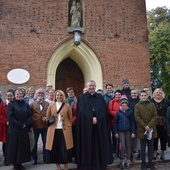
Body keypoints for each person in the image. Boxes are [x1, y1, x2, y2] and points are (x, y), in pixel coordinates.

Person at [76, 80, 113, 170]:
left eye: (93, 85)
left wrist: (98, 119)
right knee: (86, 145)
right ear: (87, 87)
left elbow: (104, 112)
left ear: (95, 87)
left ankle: (99, 165)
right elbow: (80, 112)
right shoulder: (82, 97)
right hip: (86, 128)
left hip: (98, 128)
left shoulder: (100, 97)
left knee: (98, 146)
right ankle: (85, 165)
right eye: (90, 86)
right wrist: (90, 119)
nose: (91, 87)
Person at [46, 90, 73, 170]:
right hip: (54, 130)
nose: (59, 97)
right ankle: (58, 167)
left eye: (61, 95)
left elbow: (70, 118)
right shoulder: (51, 106)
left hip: (64, 130)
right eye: (57, 95)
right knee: (55, 149)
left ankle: (66, 166)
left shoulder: (67, 106)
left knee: (65, 149)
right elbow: (47, 117)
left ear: (63, 96)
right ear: (55, 96)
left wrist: (69, 125)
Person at [5, 89, 32, 170]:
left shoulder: (26, 104)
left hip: (23, 129)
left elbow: (29, 116)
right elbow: (10, 117)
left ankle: (20, 163)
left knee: (22, 148)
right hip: (14, 130)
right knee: (14, 147)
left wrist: (26, 124)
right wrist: (20, 125)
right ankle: (15, 164)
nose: (19, 95)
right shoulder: (11, 104)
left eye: (20, 94)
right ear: (14, 95)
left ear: (22, 95)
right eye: (17, 94)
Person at [134, 90, 157, 170]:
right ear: (140, 96)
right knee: (142, 148)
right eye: (142, 95)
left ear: (147, 96)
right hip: (142, 129)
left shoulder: (152, 105)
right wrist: (144, 126)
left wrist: (149, 126)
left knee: (151, 147)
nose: (143, 96)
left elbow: (155, 116)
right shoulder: (137, 105)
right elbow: (136, 117)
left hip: (151, 129)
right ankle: (143, 164)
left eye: (145, 95)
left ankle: (150, 163)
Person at [114, 96, 135, 169]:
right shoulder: (118, 112)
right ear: (121, 105)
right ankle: (122, 159)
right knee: (122, 146)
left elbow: (132, 122)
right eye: (123, 104)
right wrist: (115, 132)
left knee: (128, 145)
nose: (124, 105)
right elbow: (115, 122)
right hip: (120, 131)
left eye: (125, 104)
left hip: (128, 131)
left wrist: (133, 132)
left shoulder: (130, 111)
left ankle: (128, 160)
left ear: (127, 104)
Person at [30, 88, 49, 165]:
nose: (40, 95)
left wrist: (47, 118)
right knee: (34, 143)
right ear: (36, 95)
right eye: (39, 94)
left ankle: (45, 157)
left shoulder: (47, 104)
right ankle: (34, 159)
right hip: (35, 126)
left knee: (46, 143)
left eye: (41, 94)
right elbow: (29, 115)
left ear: (44, 95)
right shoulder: (32, 104)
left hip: (45, 126)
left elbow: (51, 114)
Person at [150, 88, 170, 160]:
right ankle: (155, 152)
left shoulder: (166, 101)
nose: (158, 93)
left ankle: (163, 152)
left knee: (163, 138)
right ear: (154, 93)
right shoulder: (151, 101)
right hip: (154, 122)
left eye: (160, 92)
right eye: (157, 92)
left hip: (164, 123)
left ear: (162, 94)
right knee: (154, 138)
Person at [0, 89, 14, 164]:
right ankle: (6, 159)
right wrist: (6, 121)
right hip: (5, 127)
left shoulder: (15, 104)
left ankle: (12, 159)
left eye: (11, 96)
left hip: (14, 127)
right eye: (8, 96)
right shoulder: (3, 105)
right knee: (5, 144)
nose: (9, 97)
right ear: (6, 96)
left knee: (13, 143)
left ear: (13, 96)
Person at [108, 89, 122, 154]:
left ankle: (120, 151)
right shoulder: (112, 102)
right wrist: (117, 114)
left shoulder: (123, 101)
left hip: (122, 122)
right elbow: (110, 111)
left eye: (119, 95)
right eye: (116, 94)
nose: (118, 96)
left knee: (121, 137)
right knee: (114, 137)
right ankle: (114, 150)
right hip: (114, 122)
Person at [129, 89, 140, 160]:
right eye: (132, 93)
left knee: (139, 139)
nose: (133, 94)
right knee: (131, 139)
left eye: (135, 93)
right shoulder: (128, 102)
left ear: (137, 94)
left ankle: (140, 153)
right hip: (130, 122)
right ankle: (131, 153)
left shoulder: (140, 102)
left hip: (139, 122)